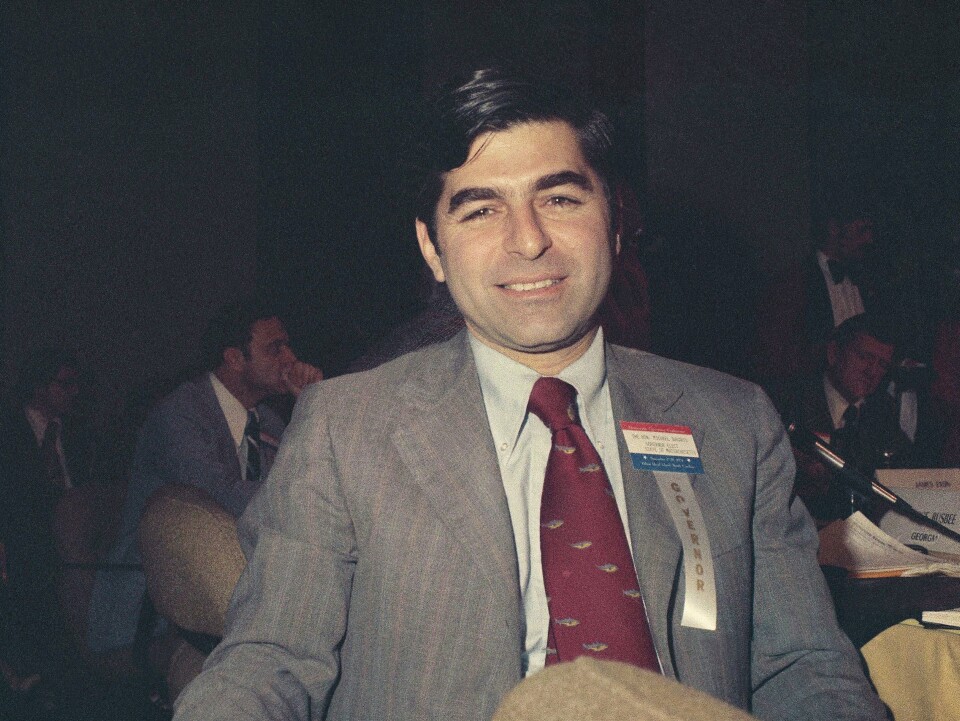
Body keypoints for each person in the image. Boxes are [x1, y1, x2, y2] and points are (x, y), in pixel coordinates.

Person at [175, 69, 886, 721]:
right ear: (432, 247)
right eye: (480, 211)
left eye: (559, 197)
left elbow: (806, 667)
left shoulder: (733, 424)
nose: (528, 241)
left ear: (613, 218)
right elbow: (268, 660)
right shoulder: (345, 429)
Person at [86, 297, 323, 657]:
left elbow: (307, 482)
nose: (290, 358)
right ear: (234, 358)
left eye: (288, 345)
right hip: (150, 613)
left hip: (222, 594)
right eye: (276, 348)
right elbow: (220, 500)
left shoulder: (267, 421)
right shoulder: (179, 416)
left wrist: (312, 405)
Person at [780, 313, 912, 520]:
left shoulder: (882, 409)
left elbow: (906, 471)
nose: (872, 372)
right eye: (865, 357)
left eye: (882, 365)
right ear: (834, 353)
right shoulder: (791, 401)